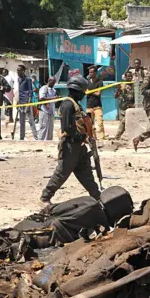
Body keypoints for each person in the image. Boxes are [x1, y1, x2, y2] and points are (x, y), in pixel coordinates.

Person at [40, 75, 100, 207]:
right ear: (77, 90)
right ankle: (45, 198)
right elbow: (67, 127)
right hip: (70, 146)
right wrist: (80, 137)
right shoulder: (67, 104)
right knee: (62, 173)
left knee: (86, 173)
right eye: (83, 91)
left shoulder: (76, 104)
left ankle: (97, 197)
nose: (84, 94)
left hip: (80, 146)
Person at [16, 65, 39, 141]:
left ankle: (36, 137)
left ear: (23, 71)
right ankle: (21, 137)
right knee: (21, 121)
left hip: (27, 102)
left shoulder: (28, 80)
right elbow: (19, 92)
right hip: (21, 102)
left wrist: (28, 104)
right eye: (17, 70)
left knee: (31, 121)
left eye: (19, 70)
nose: (18, 72)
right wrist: (17, 101)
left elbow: (30, 92)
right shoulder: (18, 79)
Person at [113, 71, 135, 140]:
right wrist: (118, 89)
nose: (130, 77)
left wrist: (133, 105)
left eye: (131, 76)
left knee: (124, 123)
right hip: (122, 107)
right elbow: (115, 96)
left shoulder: (134, 85)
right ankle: (120, 137)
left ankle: (118, 136)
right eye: (128, 76)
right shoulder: (122, 85)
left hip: (130, 108)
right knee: (122, 123)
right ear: (125, 77)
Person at [86, 66, 105, 141]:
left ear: (95, 73)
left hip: (97, 106)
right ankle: (93, 137)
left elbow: (98, 93)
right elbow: (85, 91)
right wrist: (92, 92)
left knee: (100, 123)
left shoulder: (100, 82)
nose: (90, 73)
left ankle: (102, 138)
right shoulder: (87, 81)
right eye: (89, 72)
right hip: (89, 106)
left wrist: (90, 92)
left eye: (92, 72)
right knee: (90, 124)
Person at [38, 76, 57, 141]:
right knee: (44, 128)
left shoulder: (54, 90)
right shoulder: (44, 88)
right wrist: (53, 98)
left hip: (51, 111)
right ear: (49, 81)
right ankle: (41, 141)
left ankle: (49, 141)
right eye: (53, 82)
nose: (54, 84)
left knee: (50, 128)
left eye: (54, 82)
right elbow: (41, 98)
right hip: (44, 111)